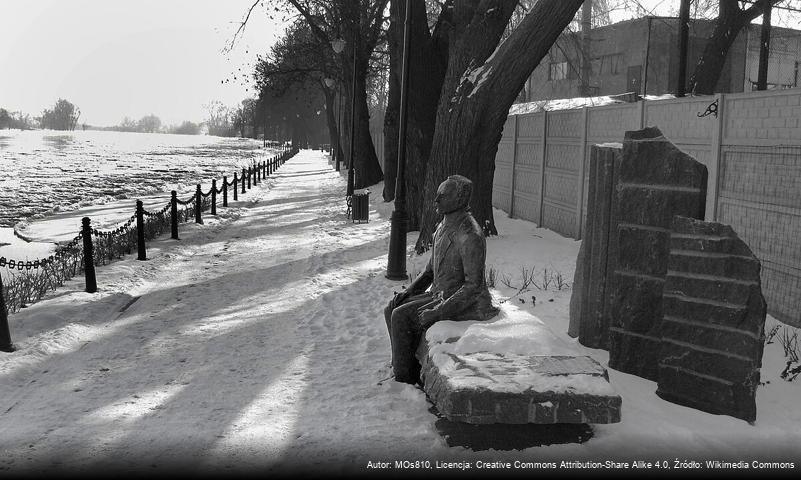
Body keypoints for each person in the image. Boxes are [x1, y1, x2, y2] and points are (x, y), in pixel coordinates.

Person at [384, 174, 500, 384]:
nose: (436, 200)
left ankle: (405, 381)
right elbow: (430, 271)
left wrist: (438, 311)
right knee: (392, 307)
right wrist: (408, 291)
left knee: (400, 316)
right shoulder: (442, 227)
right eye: (437, 194)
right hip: (440, 294)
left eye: (442, 196)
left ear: (458, 200)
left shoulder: (469, 234)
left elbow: (473, 286)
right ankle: (402, 365)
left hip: (464, 303)